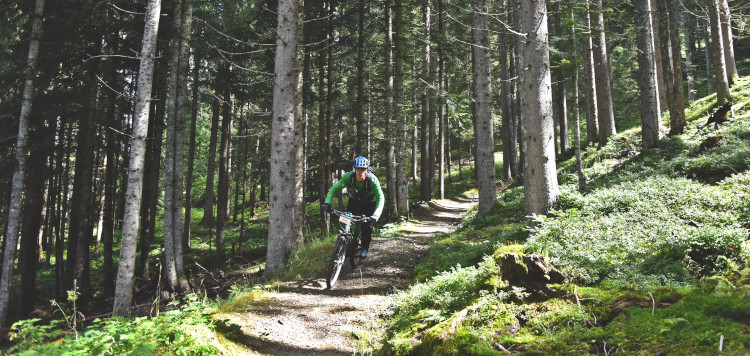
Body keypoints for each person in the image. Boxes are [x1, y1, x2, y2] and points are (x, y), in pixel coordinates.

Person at [320, 156, 384, 258]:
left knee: (366, 226)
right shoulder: (349, 177)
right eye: (358, 169)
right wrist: (327, 203)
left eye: (363, 169)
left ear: (366, 169)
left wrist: (376, 214)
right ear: (354, 169)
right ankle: (345, 240)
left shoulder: (372, 180)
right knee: (346, 219)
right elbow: (333, 190)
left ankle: (364, 248)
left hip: (369, 203)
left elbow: (380, 198)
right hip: (354, 200)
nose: (360, 172)